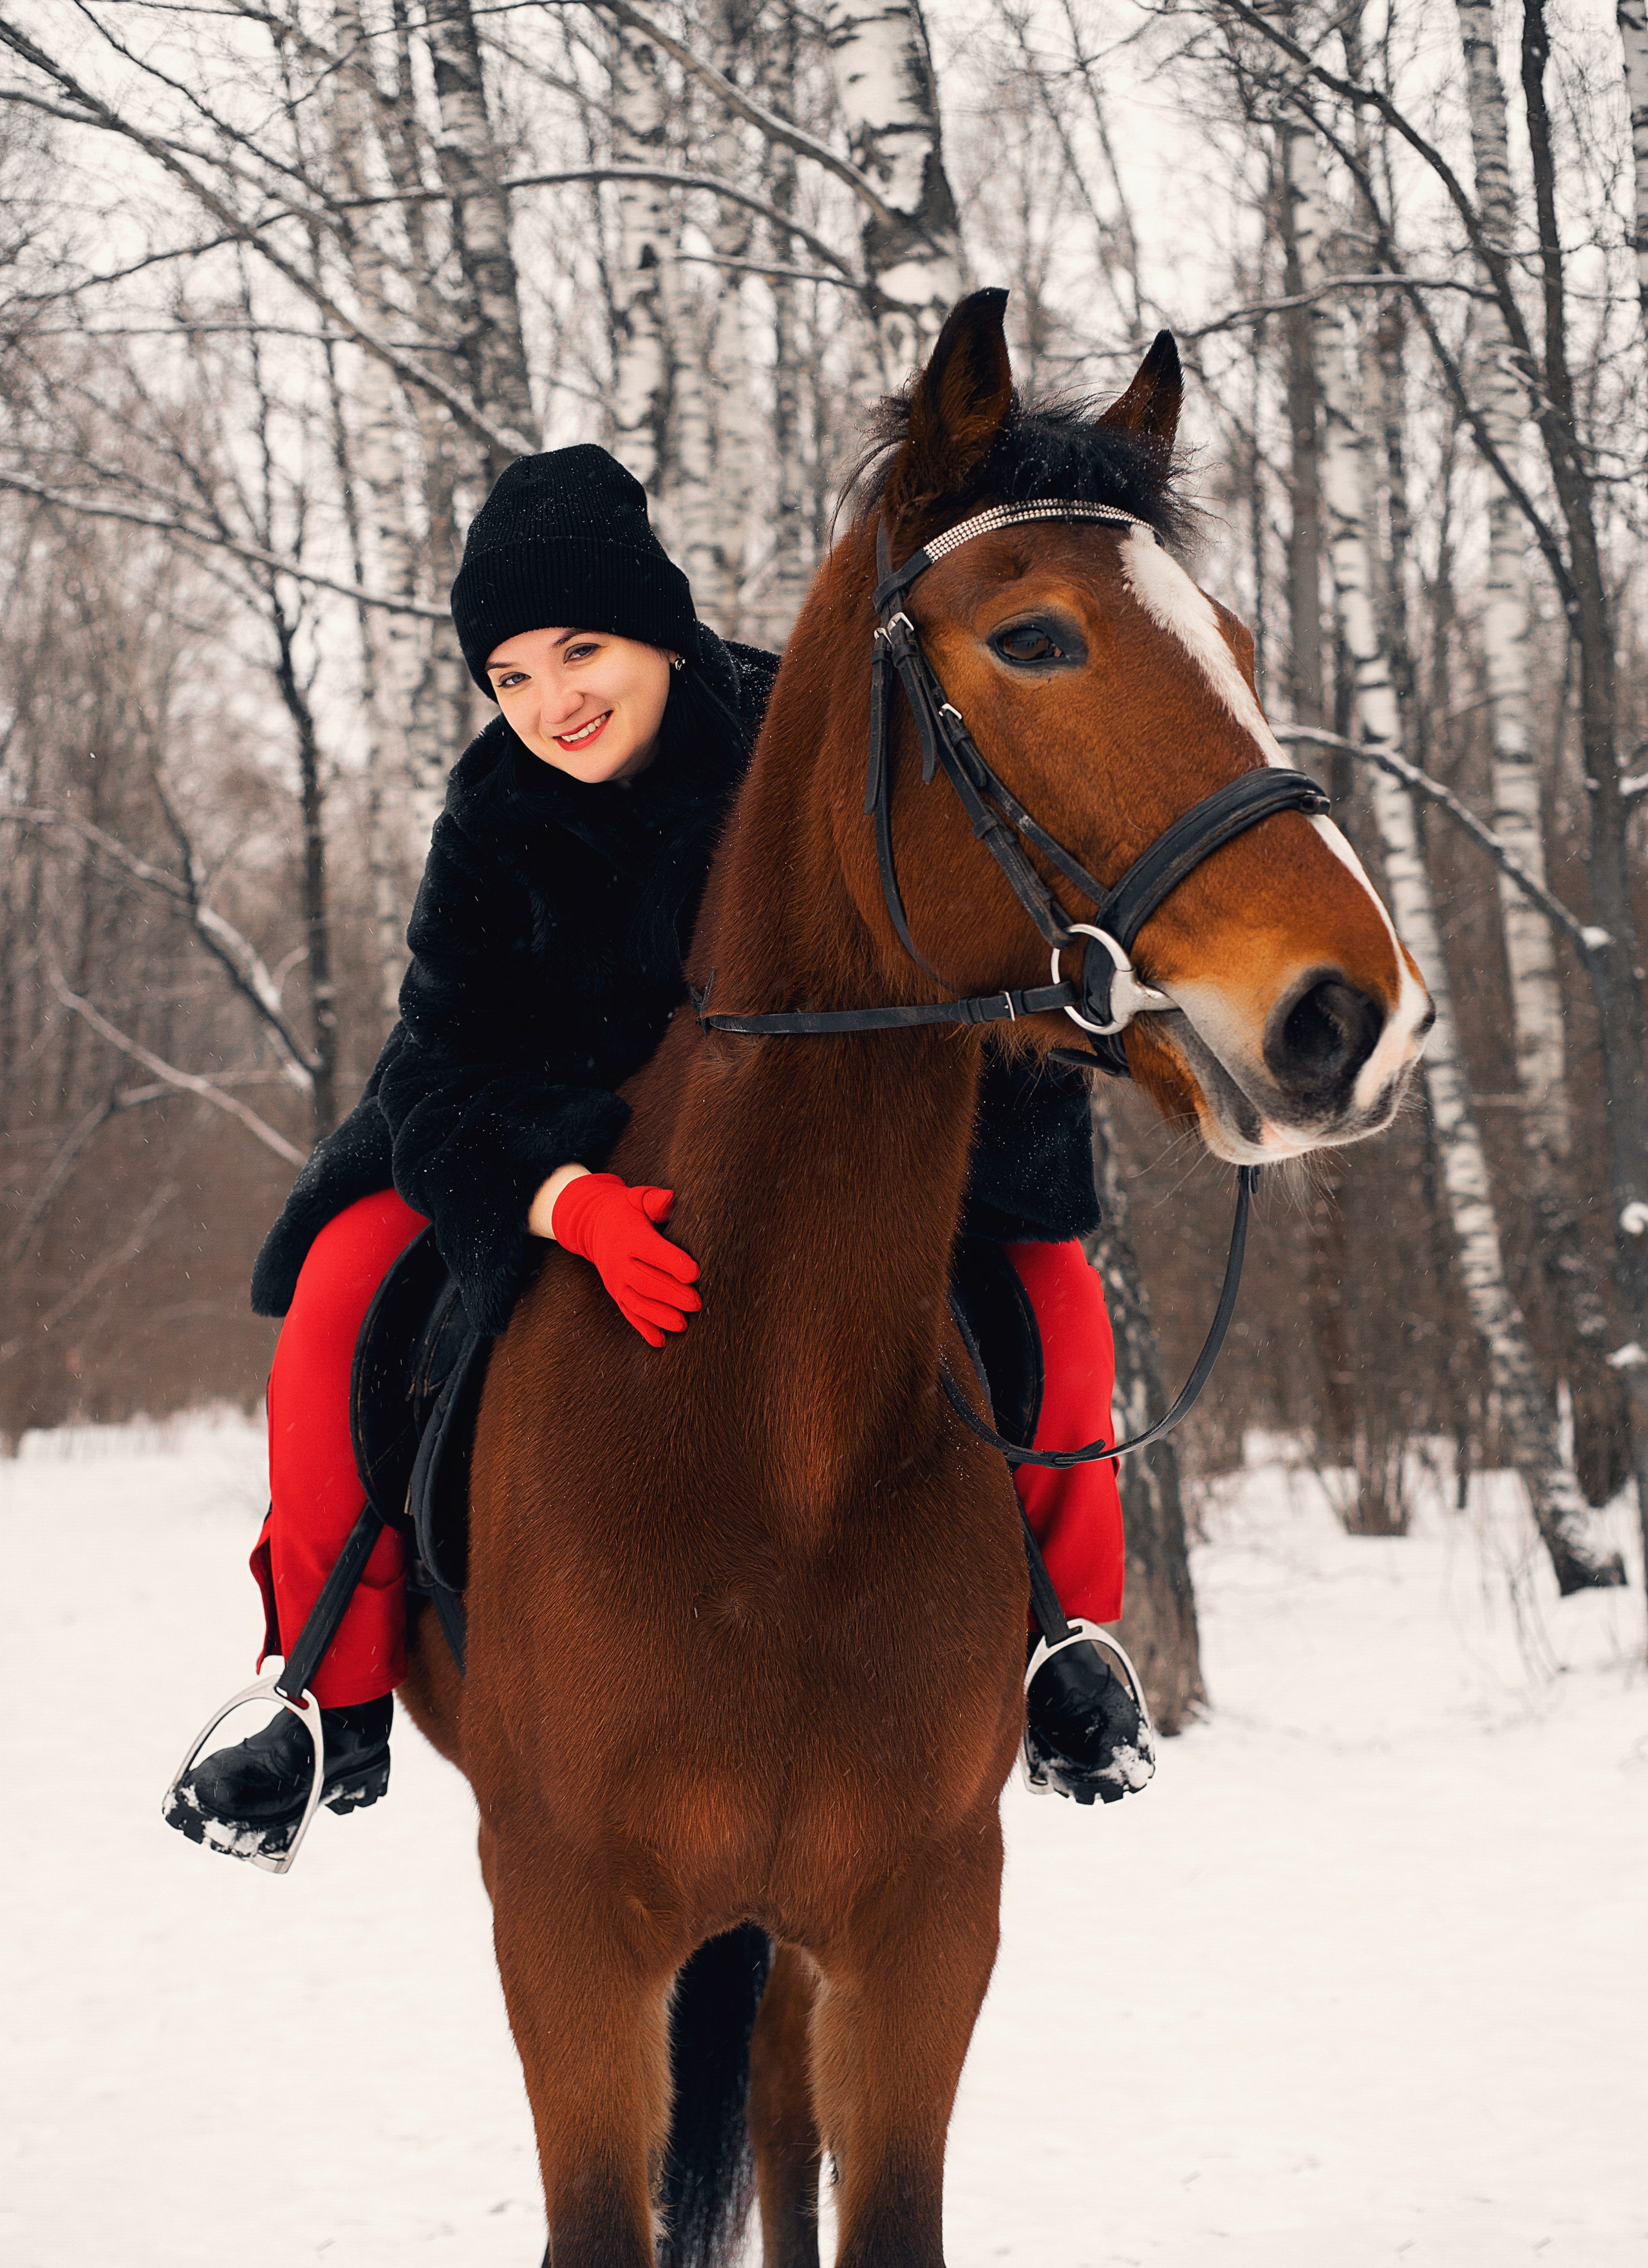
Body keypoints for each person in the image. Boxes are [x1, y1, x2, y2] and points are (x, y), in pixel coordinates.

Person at [169, 445, 1131, 1857]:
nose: (551, 702)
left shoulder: (809, 740)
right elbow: (441, 1060)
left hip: (821, 1146)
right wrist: (563, 1200)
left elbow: (947, 918)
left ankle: (1067, 1645)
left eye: (581, 652)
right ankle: (321, 1689)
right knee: (333, 1292)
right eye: (509, 677)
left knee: (1054, 1286)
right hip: (560, 1151)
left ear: (659, 633)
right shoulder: (492, 814)